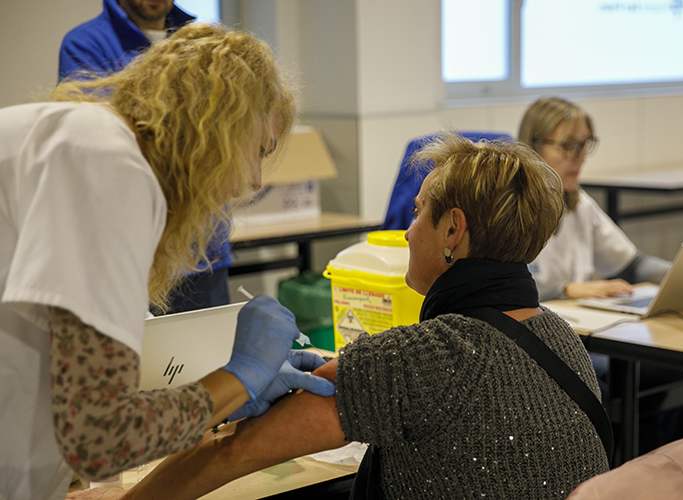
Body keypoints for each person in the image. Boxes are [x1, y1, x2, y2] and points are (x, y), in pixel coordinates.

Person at [68, 133, 610, 500]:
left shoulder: (417, 358)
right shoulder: (561, 337)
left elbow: (234, 451)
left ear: (453, 232)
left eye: (419, 211)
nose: (407, 230)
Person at [0, 24, 334, 500]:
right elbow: (100, 438)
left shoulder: (94, 152)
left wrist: (226, 396)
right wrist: (238, 377)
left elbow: (97, 390)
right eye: (257, 150)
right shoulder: (108, 169)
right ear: (218, 124)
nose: (254, 181)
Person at [518, 96, 683, 455]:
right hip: (543, 335)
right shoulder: (513, 208)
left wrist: (682, 273)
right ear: (533, 146)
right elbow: (506, 286)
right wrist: (565, 288)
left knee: (669, 372)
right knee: (605, 382)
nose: (578, 157)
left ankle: (669, 479)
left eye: (584, 146)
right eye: (567, 146)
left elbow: (631, 263)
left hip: (586, 327)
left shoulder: (579, 204)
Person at [59, 0, 232, 312]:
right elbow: (106, 137)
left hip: (204, 247)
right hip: (136, 248)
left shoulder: (201, 40)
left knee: (214, 354)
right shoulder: (86, 44)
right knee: (147, 357)